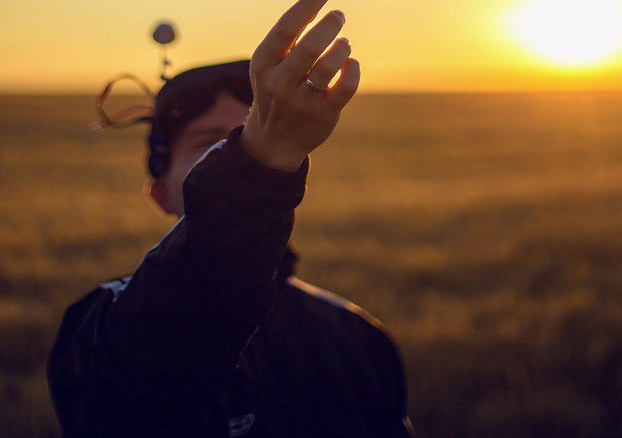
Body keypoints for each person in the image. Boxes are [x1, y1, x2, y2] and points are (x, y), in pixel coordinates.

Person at [47, 1, 413, 436]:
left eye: (242, 135)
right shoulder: (107, 326)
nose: (231, 151)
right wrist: (260, 156)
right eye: (208, 144)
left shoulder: (353, 335)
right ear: (161, 194)